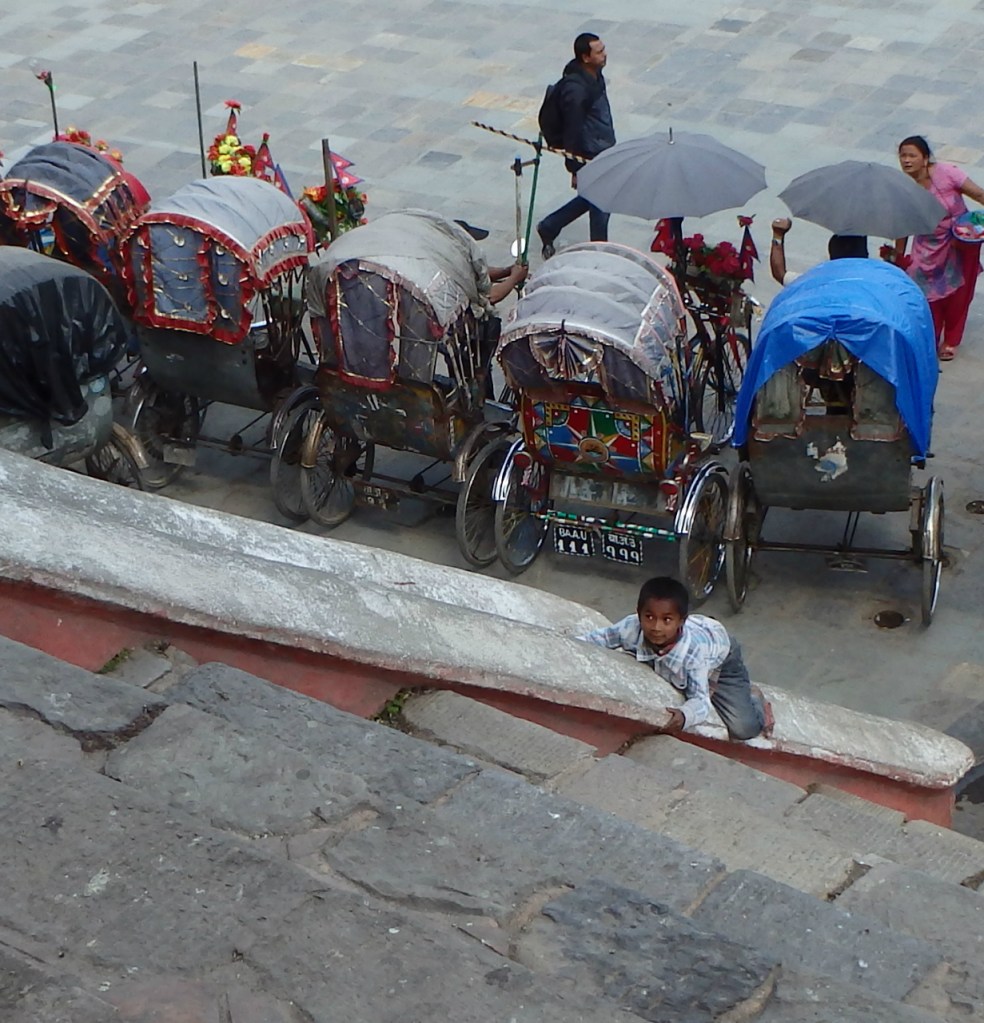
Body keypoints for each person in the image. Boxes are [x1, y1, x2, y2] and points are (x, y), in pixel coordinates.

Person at [579, 576, 772, 741]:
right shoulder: (631, 627)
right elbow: (601, 638)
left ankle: (755, 699)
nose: (656, 627)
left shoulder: (693, 655)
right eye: (649, 617)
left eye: (667, 620)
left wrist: (684, 715)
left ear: (681, 621)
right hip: (697, 638)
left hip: (722, 656)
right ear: (638, 614)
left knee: (744, 729)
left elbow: (700, 701)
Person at [896, 135, 984, 361]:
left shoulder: (947, 173)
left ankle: (952, 339)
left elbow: (979, 194)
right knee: (927, 294)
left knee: (959, 294)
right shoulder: (904, 189)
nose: (907, 160)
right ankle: (930, 337)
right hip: (926, 248)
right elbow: (901, 226)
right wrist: (898, 256)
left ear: (925, 159)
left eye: (912, 155)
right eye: (903, 156)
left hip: (959, 243)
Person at [536, 33, 615, 258]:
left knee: (594, 196)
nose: (605, 54)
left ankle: (550, 226)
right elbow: (573, 130)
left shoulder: (594, 75)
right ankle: (600, 251)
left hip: (603, 147)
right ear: (585, 57)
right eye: (599, 52)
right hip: (589, 153)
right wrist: (575, 167)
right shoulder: (576, 90)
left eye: (603, 49)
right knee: (602, 199)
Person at [769, 217, 868, 285]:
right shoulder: (878, 282)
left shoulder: (816, 281)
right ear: (866, 255)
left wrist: (778, 235)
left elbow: (780, 274)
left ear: (831, 253)